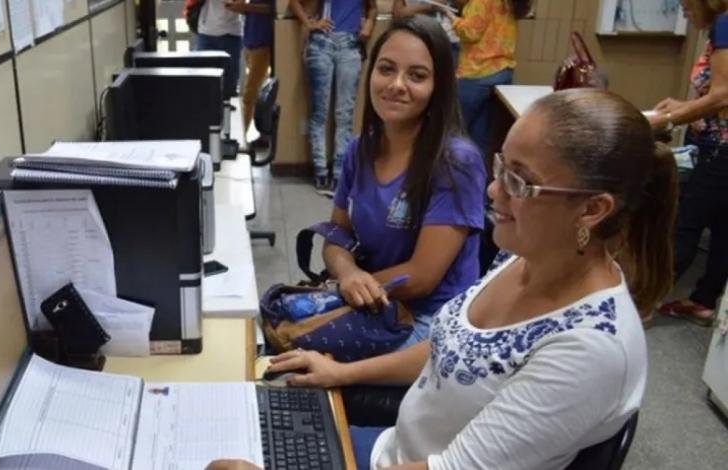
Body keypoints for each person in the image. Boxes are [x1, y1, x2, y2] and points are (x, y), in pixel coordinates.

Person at [212, 88, 676, 470]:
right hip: (394, 452)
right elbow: (452, 350)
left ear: (593, 209)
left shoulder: (590, 350)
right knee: (238, 426)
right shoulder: (527, 255)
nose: (493, 190)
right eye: (500, 166)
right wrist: (341, 372)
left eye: (520, 182)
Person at [322, 15, 486, 352]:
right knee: (280, 333)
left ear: (438, 86)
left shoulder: (457, 162)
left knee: (303, 359)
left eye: (417, 76)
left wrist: (346, 288)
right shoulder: (360, 148)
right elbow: (337, 234)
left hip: (430, 322)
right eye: (386, 69)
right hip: (373, 301)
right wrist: (346, 273)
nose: (396, 84)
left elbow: (422, 277)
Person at [650, 0, 728, 326]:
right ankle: (703, 301)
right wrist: (688, 107)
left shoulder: (725, 23)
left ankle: (643, 301)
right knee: (725, 228)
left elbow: (724, 95)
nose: (681, 8)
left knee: (683, 223)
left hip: (722, 149)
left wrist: (667, 117)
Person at [289, 0, 378, 194]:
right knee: (319, 112)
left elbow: (373, 7)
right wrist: (309, 22)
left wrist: (370, 23)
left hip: (350, 43)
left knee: (344, 113)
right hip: (321, 42)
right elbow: (294, 2)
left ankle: (340, 174)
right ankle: (321, 171)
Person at [438, 0, 530, 156]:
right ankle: (479, 175)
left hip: (477, 72)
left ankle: (452, 173)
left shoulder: (480, 1)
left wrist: (451, 17)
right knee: (482, 134)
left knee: (455, 130)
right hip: (502, 70)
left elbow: (470, 33)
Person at [226, 0, 274, 145]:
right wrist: (240, 8)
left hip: (262, 43)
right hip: (250, 42)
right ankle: (264, 135)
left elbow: (272, 9)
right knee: (258, 93)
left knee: (249, 95)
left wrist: (246, 7)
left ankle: (240, 139)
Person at [196, 0, 244, 96]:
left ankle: (226, 108)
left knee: (229, 84)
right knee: (204, 80)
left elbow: (239, 5)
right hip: (206, 32)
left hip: (230, 33)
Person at [393, 0, 461, 68]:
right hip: (418, 41)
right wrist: (429, 6)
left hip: (449, 40)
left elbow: (464, 8)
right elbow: (398, 14)